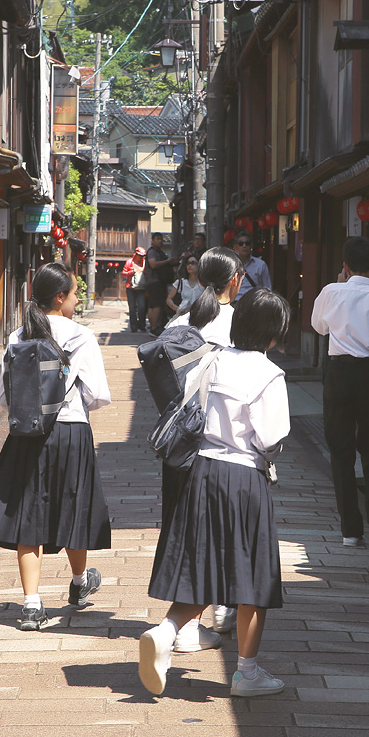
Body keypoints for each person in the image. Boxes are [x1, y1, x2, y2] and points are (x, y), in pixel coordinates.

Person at [140, 288, 293, 698]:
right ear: (274, 334)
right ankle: (246, 672)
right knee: (252, 577)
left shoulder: (211, 359)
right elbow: (271, 436)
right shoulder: (268, 374)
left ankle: (166, 630)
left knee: (202, 565)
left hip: (201, 471)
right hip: (244, 478)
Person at [0, 263, 113, 629]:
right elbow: (97, 394)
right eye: (74, 292)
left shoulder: (18, 336)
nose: (77, 298)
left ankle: (32, 605)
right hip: (71, 432)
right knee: (74, 505)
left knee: (29, 512)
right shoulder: (81, 337)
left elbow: (7, 398)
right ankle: (80, 581)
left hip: (27, 435)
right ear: (60, 297)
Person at [162, 246, 246, 641]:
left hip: (182, 441)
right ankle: (225, 606)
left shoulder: (181, 320)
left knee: (184, 528)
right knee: (228, 527)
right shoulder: (243, 323)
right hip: (225, 444)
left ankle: (188, 622)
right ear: (236, 279)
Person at [311, 237, 369, 548]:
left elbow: (319, 326)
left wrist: (337, 285)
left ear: (345, 266)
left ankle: (351, 529)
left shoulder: (332, 292)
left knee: (341, 449)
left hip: (339, 372)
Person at [145, 232, 175, 334]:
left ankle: (153, 326)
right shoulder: (152, 252)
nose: (160, 241)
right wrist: (167, 262)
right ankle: (154, 328)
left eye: (161, 239)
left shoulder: (160, 252)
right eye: (157, 239)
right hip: (154, 281)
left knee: (152, 305)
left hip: (154, 282)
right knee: (157, 305)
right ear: (153, 241)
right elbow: (153, 264)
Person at [232, 233, 272, 297]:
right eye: (241, 244)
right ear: (235, 247)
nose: (244, 246)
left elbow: (267, 288)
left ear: (251, 246)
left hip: (254, 301)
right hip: (235, 302)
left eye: (247, 243)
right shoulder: (230, 265)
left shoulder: (261, 265)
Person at [121, 247, 148, 332]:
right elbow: (123, 273)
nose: (141, 257)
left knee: (142, 307)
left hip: (142, 287)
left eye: (143, 256)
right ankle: (133, 326)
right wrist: (132, 272)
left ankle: (142, 325)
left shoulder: (144, 263)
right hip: (130, 287)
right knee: (132, 308)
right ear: (135, 254)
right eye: (139, 255)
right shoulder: (129, 262)